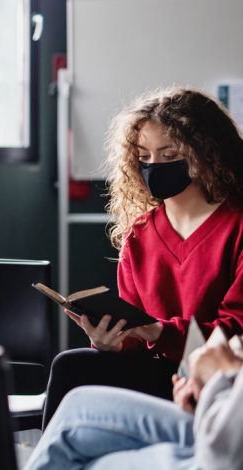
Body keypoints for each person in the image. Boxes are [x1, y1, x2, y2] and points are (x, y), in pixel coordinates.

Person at [44, 87, 243, 426]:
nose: (154, 167)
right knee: (71, 365)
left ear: (208, 155)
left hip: (220, 380)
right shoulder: (140, 234)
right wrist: (111, 341)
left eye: (169, 155)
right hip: (158, 374)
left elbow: (236, 333)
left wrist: (159, 333)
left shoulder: (236, 226)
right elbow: (137, 334)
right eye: (144, 157)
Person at [26, 341, 243, 469]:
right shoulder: (133, 261)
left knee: (78, 426)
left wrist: (225, 376)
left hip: (228, 433)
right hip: (225, 400)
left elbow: (226, 454)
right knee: (75, 392)